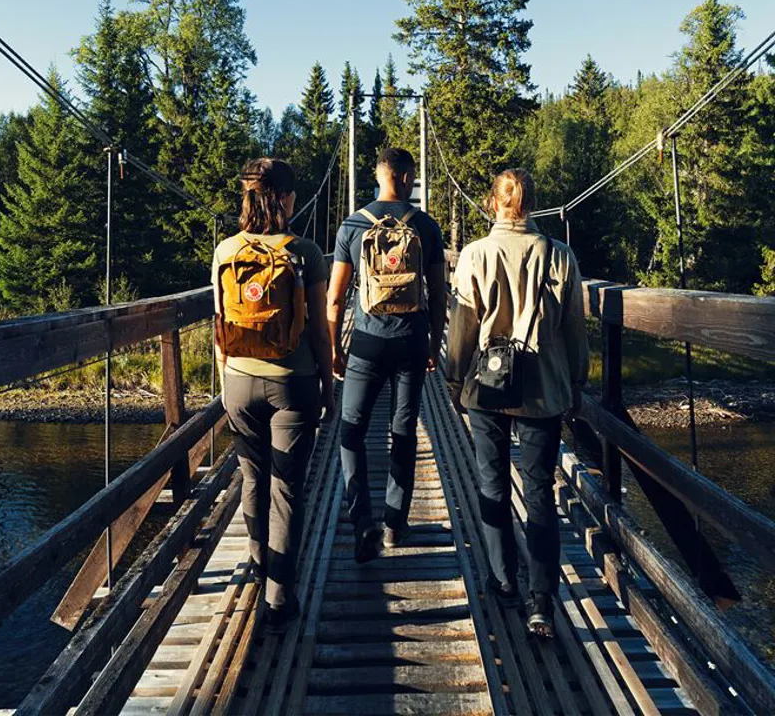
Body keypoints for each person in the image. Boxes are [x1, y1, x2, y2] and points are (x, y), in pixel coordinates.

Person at [446, 168, 589, 639]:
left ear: (493, 203)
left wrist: (454, 379)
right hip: (544, 390)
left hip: (487, 389)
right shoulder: (561, 256)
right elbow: (574, 332)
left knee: (492, 483)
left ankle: (504, 580)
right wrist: (576, 383)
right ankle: (542, 600)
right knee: (540, 491)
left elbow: (463, 329)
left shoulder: (474, 255)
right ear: (532, 203)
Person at [212, 158, 334, 635]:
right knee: (287, 489)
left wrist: (227, 379)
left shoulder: (225, 250)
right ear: (285, 198)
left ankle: (261, 566)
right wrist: (327, 383)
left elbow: (219, 319)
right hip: (293, 381)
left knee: (252, 478)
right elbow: (322, 331)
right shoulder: (305, 250)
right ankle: (280, 598)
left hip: (239, 381)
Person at [327, 147, 447, 563]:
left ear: (378, 177)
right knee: (403, 432)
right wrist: (434, 344)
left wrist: (332, 350)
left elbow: (335, 297)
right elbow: (439, 294)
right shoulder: (427, 227)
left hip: (366, 342)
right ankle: (395, 523)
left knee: (351, 431)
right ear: (409, 178)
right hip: (412, 340)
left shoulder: (353, 225)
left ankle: (362, 522)